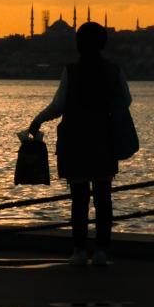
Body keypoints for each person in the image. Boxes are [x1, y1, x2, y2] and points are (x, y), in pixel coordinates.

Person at [27, 21, 132, 266]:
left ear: (78, 45)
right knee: (103, 196)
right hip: (103, 138)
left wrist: (38, 120)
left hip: (75, 139)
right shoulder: (114, 70)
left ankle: (79, 250)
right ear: (103, 44)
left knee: (79, 197)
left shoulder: (71, 71)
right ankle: (102, 251)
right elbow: (126, 101)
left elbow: (58, 105)